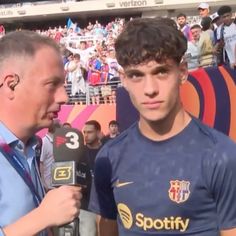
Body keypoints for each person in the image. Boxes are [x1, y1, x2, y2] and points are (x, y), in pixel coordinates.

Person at [89, 18, 236, 236]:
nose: (150, 89)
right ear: (124, 80)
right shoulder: (108, 158)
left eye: (161, 72)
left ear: (183, 72)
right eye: (136, 75)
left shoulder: (222, 155)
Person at [0, 31, 82, 236]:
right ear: (11, 84)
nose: (64, 97)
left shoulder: (32, 147)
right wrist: (42, 217)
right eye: (51, 85)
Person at [79, 120, 103, 236]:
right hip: (86, 205)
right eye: (84, 132)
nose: (86, 135)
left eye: (90, 132)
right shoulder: (79, 153)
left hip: (105, 204)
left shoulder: (107, 151)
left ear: (98, 133)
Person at [40, 119, 61, 191]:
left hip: (57, 185)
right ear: (57, 130)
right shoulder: (44, 142)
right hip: (48, 186)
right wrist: (43, 183)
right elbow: (40, 163)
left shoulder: (58, 142)